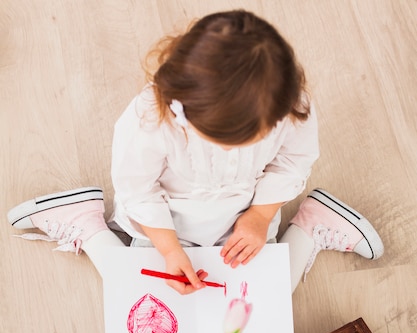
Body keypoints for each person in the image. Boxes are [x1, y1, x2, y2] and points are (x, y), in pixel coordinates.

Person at [7, 10, 383, 294]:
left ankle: (311, 224)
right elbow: (139, 190)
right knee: (146, 295)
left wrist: (259, 215)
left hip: (244, 214)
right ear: (185, 110)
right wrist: (170, 251)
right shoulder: (148, 120)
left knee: (269, 296)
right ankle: (87, 226)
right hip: (167, 220)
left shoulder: (288, 104)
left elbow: (292, 162)